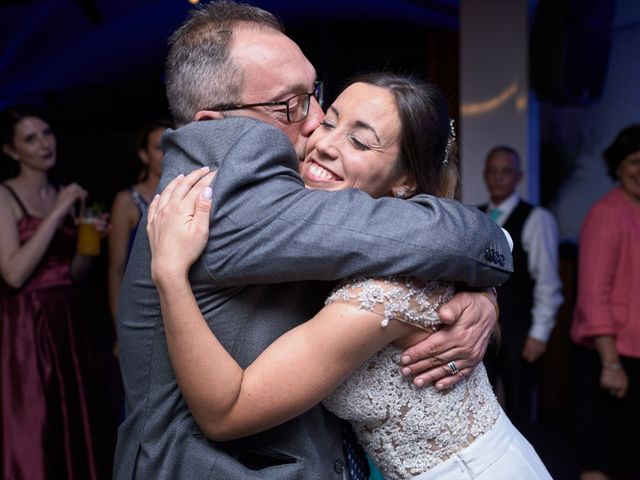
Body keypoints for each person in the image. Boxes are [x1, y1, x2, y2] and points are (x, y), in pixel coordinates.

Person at [114, 2, 513, 479]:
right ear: (214, 125)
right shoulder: (223, 200)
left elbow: (424, 251)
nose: (316, 123)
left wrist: (480, 293)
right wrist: (493, 255)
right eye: (291, 104)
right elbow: (444, 243)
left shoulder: (314, 220)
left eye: (314, 94)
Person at [0, 105, 111, 479]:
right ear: (12, 151)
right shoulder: (4, 196)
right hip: (26, 324)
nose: (44, 143)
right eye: (30, 138)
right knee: (37, 421)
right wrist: (58, 212)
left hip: (69, 318)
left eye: (47, 133)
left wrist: (88, 241)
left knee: (74, 416)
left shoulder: (63, 193)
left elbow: (75, 274)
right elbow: (13, 273)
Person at [570, 125, 640, 480]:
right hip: (609, 358)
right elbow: (594, 294)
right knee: (601, 458)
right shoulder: (607, 214)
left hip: (634, 355)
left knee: (628, 457)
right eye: (634, 162)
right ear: (618, 166)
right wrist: (611, 364)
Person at [478, 146, 563, 436]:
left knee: (520, 406)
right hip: (481, 329)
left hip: (518, 329)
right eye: (493, 171)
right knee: (480, 405)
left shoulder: (536, 218)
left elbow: (547, 280)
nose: (499, 177)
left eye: (506, 171)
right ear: (485, 176)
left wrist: (539, 334)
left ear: (518, 176)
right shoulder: (476, 216)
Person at [107, 119, 172, 357]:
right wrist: (119, 331)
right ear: (144, 155)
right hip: (142, 309)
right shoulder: (127, 201)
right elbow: (116, 270)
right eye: (158, 147)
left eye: (171, 144)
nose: (167, 153)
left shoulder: (185, 191)